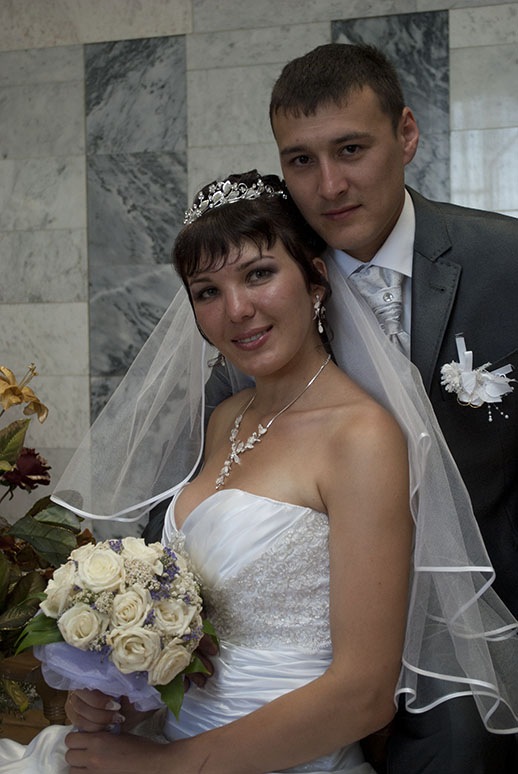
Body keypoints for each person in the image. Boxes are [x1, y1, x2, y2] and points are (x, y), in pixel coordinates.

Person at [2, 171, 518, 772]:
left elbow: (363, 694)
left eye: (258, 274)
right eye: (207, 291)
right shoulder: (226, 417)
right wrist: (117, 689)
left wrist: (166, 766)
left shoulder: (361, 438)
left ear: (316, 280)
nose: (237, 310)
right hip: (164, 737)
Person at [265, 43, 518, 774]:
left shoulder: (506, 264)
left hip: (482, 606)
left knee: (456, 743)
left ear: (406, 134)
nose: (329, 185)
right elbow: (217, 453)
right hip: (312, 616)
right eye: (301, 160)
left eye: (351, 149)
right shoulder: (269, 285)